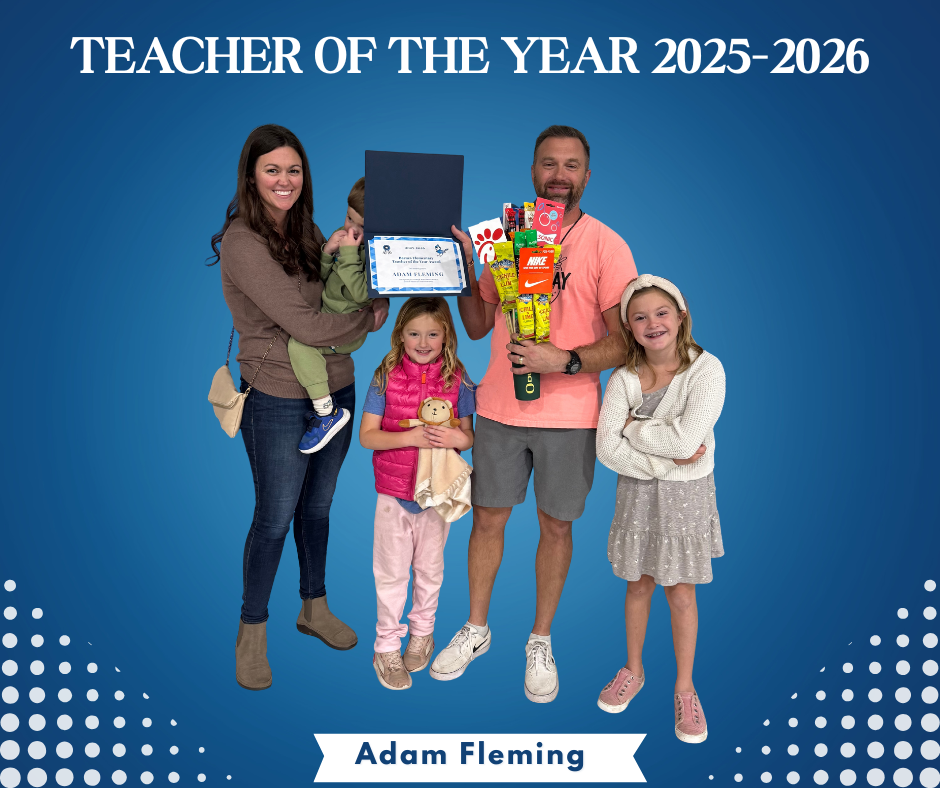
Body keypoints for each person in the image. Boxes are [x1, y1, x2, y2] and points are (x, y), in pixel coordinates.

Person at [432, 125, 638, 703]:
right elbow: (476, 326)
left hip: (571, 416)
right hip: (498, 407)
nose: (559, 175)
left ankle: (540, 640)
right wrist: (461, 269)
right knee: (487, 520)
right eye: (549, 164)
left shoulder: (606, 245)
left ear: (587, 176)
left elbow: (625, 342)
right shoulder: (505, 235)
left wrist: (564, 358)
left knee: (556, 526)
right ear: (532, 171)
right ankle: (476, 629)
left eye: (571, 165)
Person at [211, 124, 389, 691]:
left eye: (294, 169)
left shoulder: (309, 229)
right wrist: (366, 319)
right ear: (251, 176)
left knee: (318, 510)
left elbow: (342, 294)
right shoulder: (244, 242)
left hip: (336, 387)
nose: (285, 180)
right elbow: (306, 323)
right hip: (278, 396)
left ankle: (313, 608)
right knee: (274, 516)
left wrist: (377, 286)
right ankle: (252, 631)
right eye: (272, 170)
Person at [594, 274, 725, 743]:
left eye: (662, 313)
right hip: (639, 495)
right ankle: (633, 668)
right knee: (638, 584)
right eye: (640, 317)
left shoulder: (706, 371)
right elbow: (605, 448)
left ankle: (685, 688)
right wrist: (663, 455)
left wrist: (635, 429)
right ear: (628, 328)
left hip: (687, 499)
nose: (653, 323)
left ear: (682, 315)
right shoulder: (624, 378)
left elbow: (689, 439)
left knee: (681, 592)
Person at [359, 298, 476, 690]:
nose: (423, 342)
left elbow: (468, 435)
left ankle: (422, 633)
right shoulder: (385, 375)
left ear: (446, 337)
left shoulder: (458, 377)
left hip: (436, 494)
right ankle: (386, 646)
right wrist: (408, 435)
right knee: (390, 574)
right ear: (400, 336)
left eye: (432, 333)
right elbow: (367, 437)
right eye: (414, 333)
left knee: (430, 570)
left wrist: (456, 436)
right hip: (393, 494)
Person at [288, 177, 371, 454]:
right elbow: (321, 282)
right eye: (349, 218)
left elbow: (361, 294)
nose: (352, 228)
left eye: (363, 226)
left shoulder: (373, 255)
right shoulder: (342, 237)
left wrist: (348, 254)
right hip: (328, 318)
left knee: (298, 344)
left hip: (345, 331)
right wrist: (328, 253)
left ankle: (326, 413)